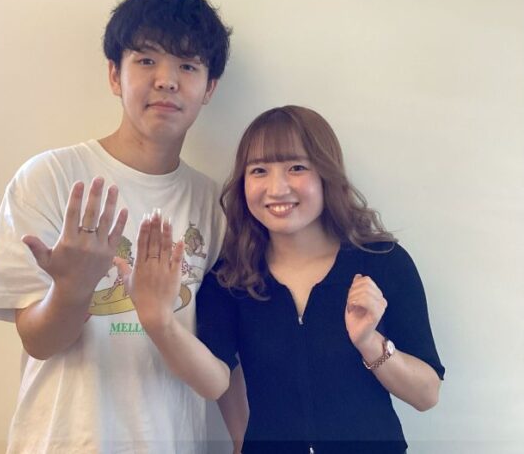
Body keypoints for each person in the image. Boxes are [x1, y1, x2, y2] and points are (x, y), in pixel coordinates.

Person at [0, 0, 232, 454]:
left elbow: (223, 363)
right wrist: (72, 288)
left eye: (188, 65)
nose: (166, 80)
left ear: (209, 87)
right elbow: (39, 342)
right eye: (147, 60)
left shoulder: (214, 205)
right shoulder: (51, 178)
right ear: (115, 75)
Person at [120, 105, 444, 454]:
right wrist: (159, 322)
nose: (277, 188)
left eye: (297, 167)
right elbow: (215, 383)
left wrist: (369, 342)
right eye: (259, 170)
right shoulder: (231, 278)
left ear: (326, 174)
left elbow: (426, 395)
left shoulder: (382, 261)